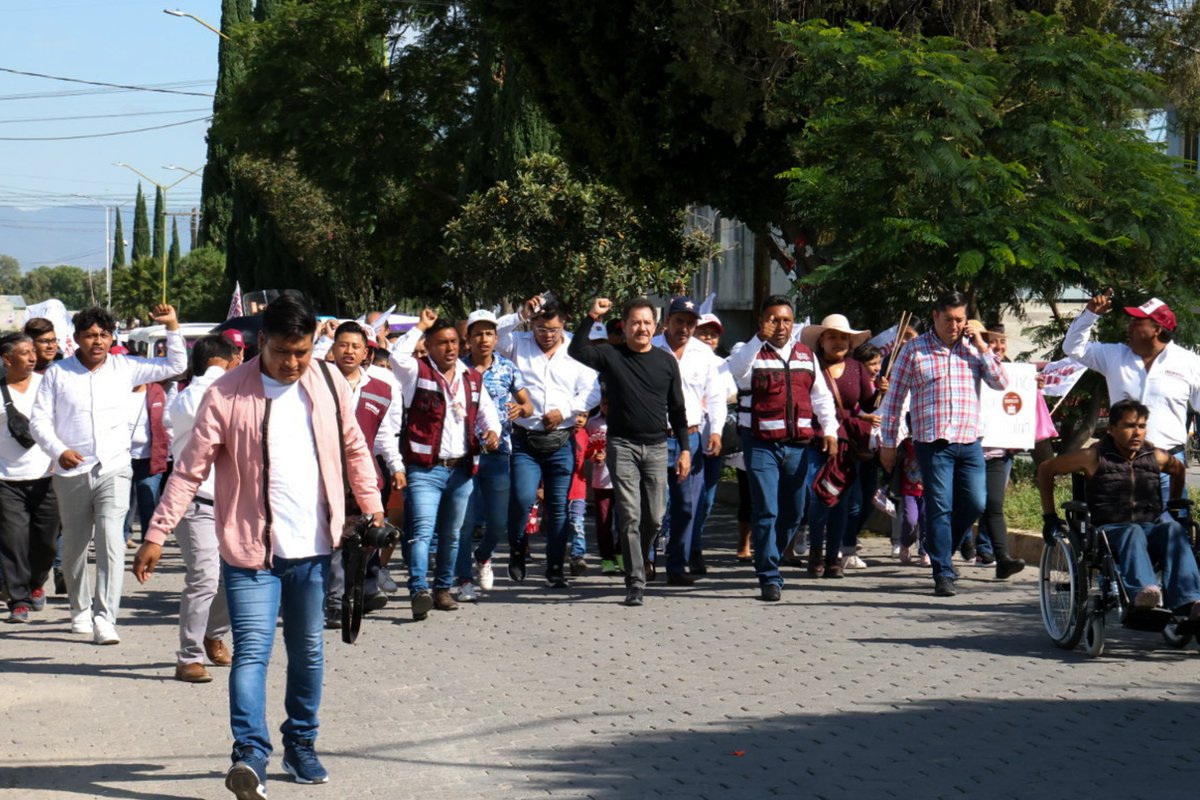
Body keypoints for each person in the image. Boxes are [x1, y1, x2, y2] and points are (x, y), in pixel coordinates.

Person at [135, 294, 385, 797]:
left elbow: (355, 447)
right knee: (252, 652)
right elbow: (189, 470)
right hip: (249, 551)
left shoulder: (330, 382)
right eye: (282, 353)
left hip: (315, 548)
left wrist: (373, 507)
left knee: (309, 652)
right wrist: (157, 532)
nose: (293, 363)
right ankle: (250, 755)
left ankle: (301, 744)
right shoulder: (227, 394)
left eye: (303, 352)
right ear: (260, 343)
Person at [31, 304, 186, 645]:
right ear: (77, 339)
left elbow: (176, 365)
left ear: (112, 337)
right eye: (90, 335)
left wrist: (172, 326)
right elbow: (38, 420)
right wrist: (59, 451)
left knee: (111, 540)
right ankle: (80, 609)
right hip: (71, 471)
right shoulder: (58, 374)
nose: (97, 341)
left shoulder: (125, 367)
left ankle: (105, 616)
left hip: (114, 468)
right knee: (74, 547)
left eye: (103, 334)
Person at [879, 291, 1008, 597]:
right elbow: (894, 399)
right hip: (932, 442)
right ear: (935, 317)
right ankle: (943, 572)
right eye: (948, 318)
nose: (954, 325)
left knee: (976, 502)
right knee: (940, 506)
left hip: (970, 439)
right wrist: (887, 442)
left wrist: (980, 344)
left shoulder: (974, 349)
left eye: (960, 319)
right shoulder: (914, 350)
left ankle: (941, 547)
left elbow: (1001, 382)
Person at [568, 297, 691, 606]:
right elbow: (576, 349)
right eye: (635, 322)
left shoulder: (666, 362)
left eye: (647, 322)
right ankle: (635, 579)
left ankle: (642, 556)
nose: (642, 327)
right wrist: (592, 314)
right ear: (624, 326)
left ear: (656, 326)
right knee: (630, 515)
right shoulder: (611, 355)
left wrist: (685, 449)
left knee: (655, 515)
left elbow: (677, 409)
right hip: (621, 445)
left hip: (657, 446)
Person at [1038, 399, 1200, 617]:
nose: (1136, 433)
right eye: (1129, 426)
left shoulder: (1155, 456)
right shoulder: (1093, 457)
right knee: (1132, 531)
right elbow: (1046, 469)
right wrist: (1049, 516)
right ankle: (1144, 593)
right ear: (1112, 429)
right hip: (1108, 530)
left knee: (1174, 530)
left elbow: (1178, 470)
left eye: (1141, 426)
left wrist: (1171, 506)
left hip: (1150, 527)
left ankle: (1190, 601)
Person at [724, 295, 838, 601]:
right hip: (760, 444)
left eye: (786, 320)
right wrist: (756, 339)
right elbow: (735, 370)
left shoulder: (806, 355)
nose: (780, 326)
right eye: (773, 319)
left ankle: (770, 551)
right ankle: (769, 575)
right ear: (762, 321)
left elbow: (821, 397)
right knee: (766, 509)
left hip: (799, 446)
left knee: (794, 511)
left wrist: (830, 430)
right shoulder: (748, 351)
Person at [391, 309, 501, 619]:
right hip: (424, 468)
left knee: (453, 534)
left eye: (454, 342)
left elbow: (486, 414)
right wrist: (420, 326)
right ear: (428, 345)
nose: (450, 348)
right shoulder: (417, 373)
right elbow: (397, 355)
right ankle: (417, 590)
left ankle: (442, 590)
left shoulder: (472, 378)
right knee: (423, 532)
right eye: (441, 342)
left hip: (461, 470)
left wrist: (493, 432)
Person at [496, 296, 600, 587]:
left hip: (561, 439)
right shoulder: (518, 342)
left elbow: (592, 391)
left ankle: (555, 567)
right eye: (541, 328)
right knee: (522, 497)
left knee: (558, 506)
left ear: (564, 323)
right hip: (524, 440)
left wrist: (565, 411)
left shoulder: (577, 349)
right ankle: (517, 548)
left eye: (553, 329)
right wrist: (520, 314)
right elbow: (495, 335)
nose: (547, 335)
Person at [1062, 291, 1200, 502]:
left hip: (1169, 465)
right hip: (1119, 465)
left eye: (1137, 322)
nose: (1129, 326)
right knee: (1124, 529)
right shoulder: (1114, 355)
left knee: (1172, 528)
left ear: (1157, 329)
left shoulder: (1189, 363)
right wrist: (1089, 315)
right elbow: (1073, 348)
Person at [160, 335, 238, 683]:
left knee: (233, 576)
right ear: (226, 360)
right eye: (238, 358)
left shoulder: (227, 392)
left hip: (232, 502)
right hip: (195, 503)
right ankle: (188, 656)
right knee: (204, 578)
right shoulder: (194, 396)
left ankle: (213, 632)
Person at [323, 321, 405, 626]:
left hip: (364, 475)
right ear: (333, 349)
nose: (349, 351)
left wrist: (396, 467)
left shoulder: (382, 389)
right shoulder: (319, 382)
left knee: (363, 540)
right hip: (325, 473)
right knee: (333, 539)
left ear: (366, 351)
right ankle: (334, 603)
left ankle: (360, 592)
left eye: (356, 346)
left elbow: (385, 435)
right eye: (343, 345)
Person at [453, 309, 532, 601]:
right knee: (465, 521)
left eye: (489, 333)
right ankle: (463, 581)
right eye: (478, 334)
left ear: (496, 338)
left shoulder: (508, 369)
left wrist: (520, 409)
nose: (483, 339)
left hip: (498, 453)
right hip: (464, 454)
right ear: (468, 339)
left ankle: (483, 556)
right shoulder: (458, 370)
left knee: (498, 522)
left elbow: (528, 405)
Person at [653, 297, 726, 584]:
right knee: (653, 506)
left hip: (690, 439)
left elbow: (717, 396)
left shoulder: (703, 354)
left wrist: (717, 431)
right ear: (667, 321)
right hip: (654, 438)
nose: (684, 327)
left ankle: (676, 565)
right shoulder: (650, 348)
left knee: (686, 506)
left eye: (690, 322)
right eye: (679, 320)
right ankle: (645, 561)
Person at [799, 314, 873, 578]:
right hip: (815, 442)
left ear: (851, 342)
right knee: (819, 497)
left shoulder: (857, 369)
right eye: (832, 336)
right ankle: (815, 553)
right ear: (821, 340)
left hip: (845, 447)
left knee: (841, 502)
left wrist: (881, 391)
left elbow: (868, 404)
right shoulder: (810, 366)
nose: (838, 341)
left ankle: (833, 558)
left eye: (843, 337)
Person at [0, 334, 59, 624]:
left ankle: (37, 581)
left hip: (47, 475)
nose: (32, 356)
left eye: (33, 351)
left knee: (46, 542)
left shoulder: (46, 385)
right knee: (13, 542)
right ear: (7, 359)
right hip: (6, 480)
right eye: (24, 353)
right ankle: (19, 599)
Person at [970, 323, 1026, 579]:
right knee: (969, 505)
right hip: (967, 451)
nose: (999, 347)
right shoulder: (967, 365)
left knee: (993, 505)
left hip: (998, 454)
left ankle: (1002, 559)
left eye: (1002, 343)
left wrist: (1032, 387)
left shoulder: (1013, 373)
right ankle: (949, 551)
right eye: (992, 342)